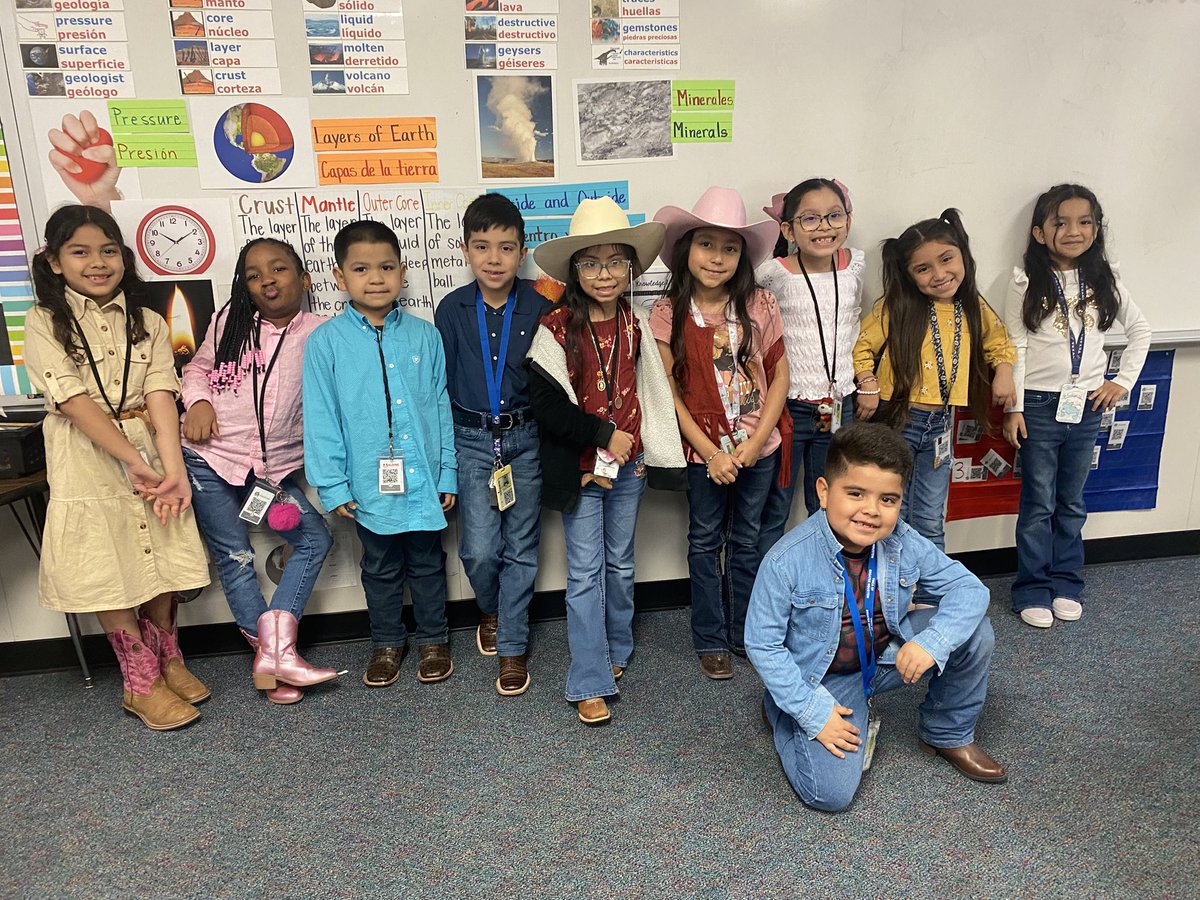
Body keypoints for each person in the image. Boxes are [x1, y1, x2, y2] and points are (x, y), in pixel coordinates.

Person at [746, 423, 1006, 812]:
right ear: (823, 492)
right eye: (855, 494)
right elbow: (762, 644)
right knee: (829, 795)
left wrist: (930, 643)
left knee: (974, 632)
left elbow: (970, 590)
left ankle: (946, 732)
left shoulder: (903, 539)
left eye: (888, 499)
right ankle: (781, 709)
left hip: (884, 656)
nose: (871, 511)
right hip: (823, 677)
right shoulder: (785, 560)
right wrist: (810, 712)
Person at [25, 204, 210, 730]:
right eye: (79, 252)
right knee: (109, 560)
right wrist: (131, 461)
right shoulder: (43, 320)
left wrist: (171, 468)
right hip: (87, 452)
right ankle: (139, 681)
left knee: (161, 549)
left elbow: (159, 392)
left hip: (147, 444)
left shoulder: (147, 320)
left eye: (108, 250)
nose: (97, 262)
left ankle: (168, 658)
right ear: (55, 262)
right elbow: (73, 400)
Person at [527, 198, 686, 726]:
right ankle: (588, 678)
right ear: (574, 269)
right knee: (585, 571)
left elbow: (650, 391)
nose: (604, 273)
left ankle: (617, 646)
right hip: (583, 468)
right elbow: (546, 404)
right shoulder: (554, 327)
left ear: (632, 268)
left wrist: (634, 444)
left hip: (629, 467)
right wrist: (602, 436)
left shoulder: (637, 323)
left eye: (616, 261)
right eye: (591, 263)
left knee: (620, 565)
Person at [181, 238, 339, 703]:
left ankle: (274, 658)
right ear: (245, 287)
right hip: (208, 457)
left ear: (305, 280)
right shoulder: (230, 323)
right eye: (253, 275)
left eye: (279, 269)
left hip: (269, 472)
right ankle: (275, 661)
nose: (267, 279)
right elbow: (198, 367)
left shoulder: (323, 334)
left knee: (314, 539)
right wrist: (201, 400)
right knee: (235, 557)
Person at [303, 221, 457, 687]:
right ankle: (387, 641)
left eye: (387, 267)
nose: (376, 278)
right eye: (362, 268)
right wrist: (332, 485)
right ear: (339, 276)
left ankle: (434, 638)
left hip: (425, 477)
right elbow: (321, 417)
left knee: (429, 562)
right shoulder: (325, 342)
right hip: (367, 482)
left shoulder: (425, 336)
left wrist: (446, 471)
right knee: (380, 566)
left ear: (402, 272)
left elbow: (441, 406)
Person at [650, 186, 788, 677]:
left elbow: (779, 377)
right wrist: (712, 453)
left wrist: (754, 445)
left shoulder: (761, 303)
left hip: (759, 448)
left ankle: (743, 630)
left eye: (730, 248)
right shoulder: (666, 313)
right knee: (705, 540)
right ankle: (710, 637)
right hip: (702, 453)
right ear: (687, 249)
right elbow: (670, 393)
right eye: (707, 244)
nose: (718, 257)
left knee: (747, 541)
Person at [1002, 185, 1151, 628]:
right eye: (1060, 223)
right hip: (1040, 408)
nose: (1073, 231)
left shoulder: (1106, 280)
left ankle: (1066, 581)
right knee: (1038, 503)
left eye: (1084, 222)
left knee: (1071, 502)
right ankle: (1032, 587)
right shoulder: (1024, 282)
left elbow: (1141, 330)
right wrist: (1016, 407)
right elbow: (1017, 344)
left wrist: (1121, 382)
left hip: (1085, 408)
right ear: (1039, 232)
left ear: (1097, 228)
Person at [434, 194, 551, 696]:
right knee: (480, 550)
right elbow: (438, 388)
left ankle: (512, 645)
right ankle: (491, 608)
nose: (494, 259)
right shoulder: (452, 309)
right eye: (482, 247)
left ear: (522, 251)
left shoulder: (542, 306)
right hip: (471, 438)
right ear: (465, 250)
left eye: (505, 248)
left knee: (522, 547)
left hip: (525, 439)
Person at [852, 210, 1016, 562]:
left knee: (928, 516)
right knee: (887, 512)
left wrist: (1003, 371)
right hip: (897, 421)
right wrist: (867, 381)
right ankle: (886, 588)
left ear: (963, 255)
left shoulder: (973, 306)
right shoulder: (896, 307)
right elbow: (861, 347)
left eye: (946, 259)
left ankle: (930, 591)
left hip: (941, 425)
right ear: (908, 275)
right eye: (923, 269)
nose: (940, 275)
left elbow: (1000, 341)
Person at [757, 179, 864, 555]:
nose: (824, 227)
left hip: (837, 404)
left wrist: (863, 379)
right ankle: (767, 587)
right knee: (776, 502)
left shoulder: (855, 267)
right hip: (788, 405)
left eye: (834, 216)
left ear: (847, 221)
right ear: (788, 229)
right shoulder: (774, 274)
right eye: (811, 219)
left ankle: (822, 581)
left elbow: (856, 328)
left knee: (827, 498)